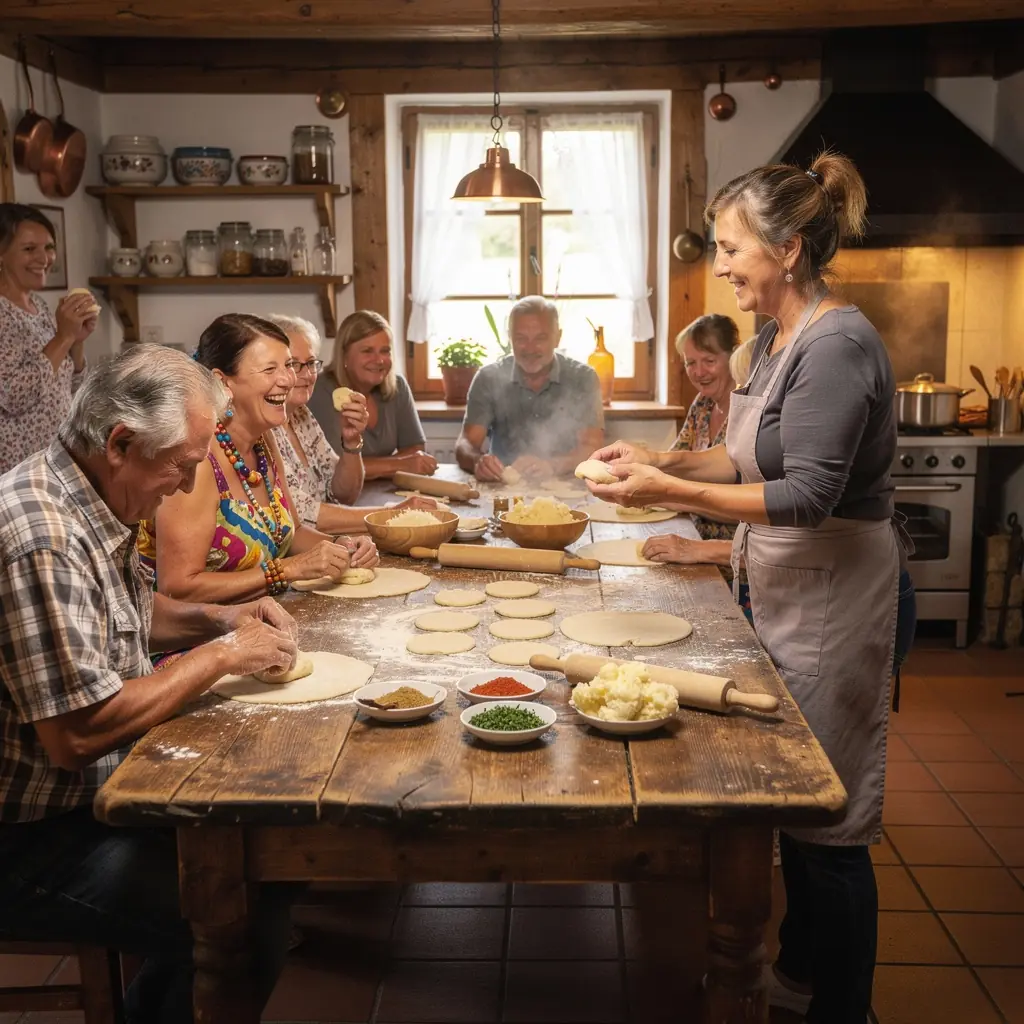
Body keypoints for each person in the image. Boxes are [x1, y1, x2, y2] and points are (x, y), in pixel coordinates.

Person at [584, 151, 914, 1024]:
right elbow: (741, 458)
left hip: (836, 585)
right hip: (785, 578)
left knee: (827, 813)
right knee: (793, 794)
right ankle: (798, 980)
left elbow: (805, 494)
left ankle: (839, 1007)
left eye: (732, 248)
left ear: (791, 247)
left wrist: (669, 492)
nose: (720, 265)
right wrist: (658, 457)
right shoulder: (775, 337)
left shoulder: (839, 343)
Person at [0, 344, 299, 1023]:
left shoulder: (88, 494)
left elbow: (132, 616)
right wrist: (225, 653)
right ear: (120, 443)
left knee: (267, 857)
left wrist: (219, 615)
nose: (188, 485)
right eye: (184, 466)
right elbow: (79, 733)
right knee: (242, 913)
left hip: (86, 804)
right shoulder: (41, 533)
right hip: (29, 838)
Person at [140, 314, 378, 605]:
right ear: (222, 382)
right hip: (196, 639)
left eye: (288, 365)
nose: (289, 379)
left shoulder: (265, 440)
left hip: (259, 618)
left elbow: (294, 532)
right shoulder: (197, 458)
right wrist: (288, 570)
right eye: (269, 369)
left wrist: (342, 547)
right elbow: (177, 586)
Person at [267, 315, 443, 533]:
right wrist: (393, 514)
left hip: (324, 541)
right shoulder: (264, 427)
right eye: (293, 364)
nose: (308, 374)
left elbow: (343, 494)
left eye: (311, 363)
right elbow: (301, 514)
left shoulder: (301, 416)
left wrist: (352, 443)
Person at [455, 295, 605, 481]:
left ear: (557, 338)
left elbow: (592, 448)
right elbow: (466, 444)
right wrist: (478, 461)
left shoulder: (583, 378)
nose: (530, 349)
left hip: (567, 486)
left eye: (540, 338)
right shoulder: (488, 377)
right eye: (521, 339)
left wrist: (552, 465)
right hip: (504, 487)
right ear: (509, 338)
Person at [0, 203, 98, 474]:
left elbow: (72, 386)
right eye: (29, 249)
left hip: (54, 456)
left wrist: (76, 340)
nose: (44, 258)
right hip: (18, 466)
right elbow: (13, 396)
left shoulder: (39, 306)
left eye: (49, 247)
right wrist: (64, 336)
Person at [309, 310, 437, 481]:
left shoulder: (397, 386)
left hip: (383, 491)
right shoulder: (319, 390)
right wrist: (399, 464)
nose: (379, 360)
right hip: (337, 498)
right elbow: (334, 466)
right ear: (344, 355)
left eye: (385, 351)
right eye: (367, 351)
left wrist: (379, 467)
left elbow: (415, 449)